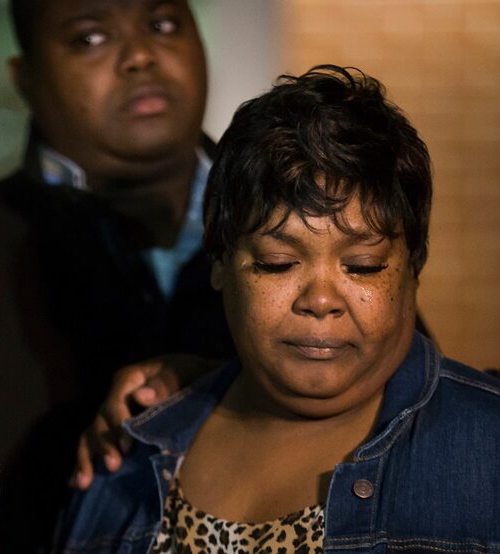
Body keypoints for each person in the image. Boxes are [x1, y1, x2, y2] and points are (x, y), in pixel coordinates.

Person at [55, 66, 500, 552]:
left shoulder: (488, 447)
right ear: (220, 261)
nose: (321, 301)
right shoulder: (128, 459)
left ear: (413, 266)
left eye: (364, 265)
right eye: (278, 262)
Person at [0, 0, 236, 550]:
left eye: (163, 26)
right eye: (90, 39)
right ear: (25, 78)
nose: (141, 55)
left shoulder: (308, 235)